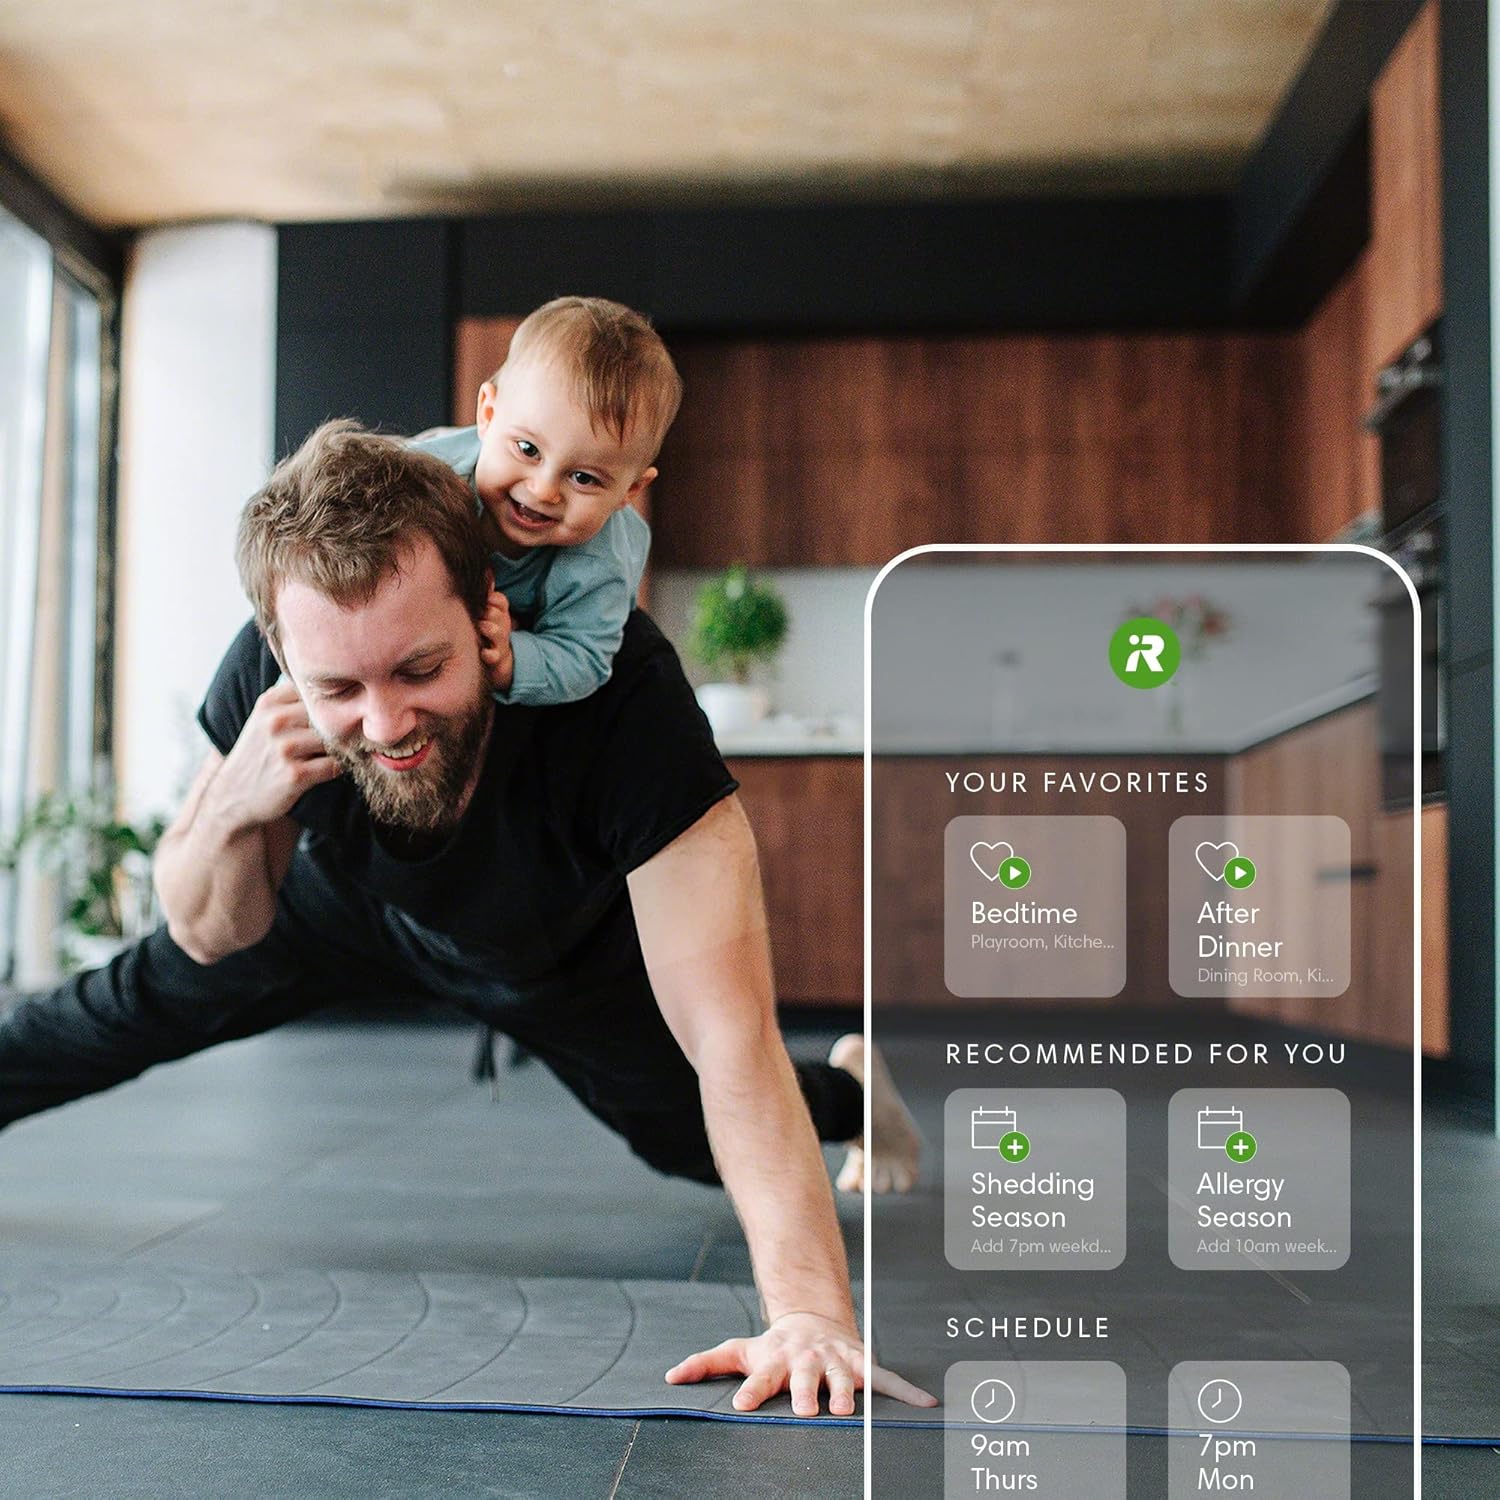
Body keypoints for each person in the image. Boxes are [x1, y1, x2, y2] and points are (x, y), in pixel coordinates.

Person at [0, 422, 926, 1418]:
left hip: (557, 947)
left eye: (418, 670)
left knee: (686, 1139)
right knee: (113, 1009)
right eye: (339, 690)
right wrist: (232, 801)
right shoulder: (267, 678)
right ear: (281, 652)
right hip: (345, 907)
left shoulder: (624, 702)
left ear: (489, 607)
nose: (386, 725)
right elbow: (205, 934)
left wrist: (810, 1312)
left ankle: (849, 1095)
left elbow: (731, 1037)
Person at [417, 295, 678, 706]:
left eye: (583, 478)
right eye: (527, 449)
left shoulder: (600, 562)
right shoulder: (422, 481)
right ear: (487, 414)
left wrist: (512, 658)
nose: (543, 490)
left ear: (629, 492)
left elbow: (584, 655)